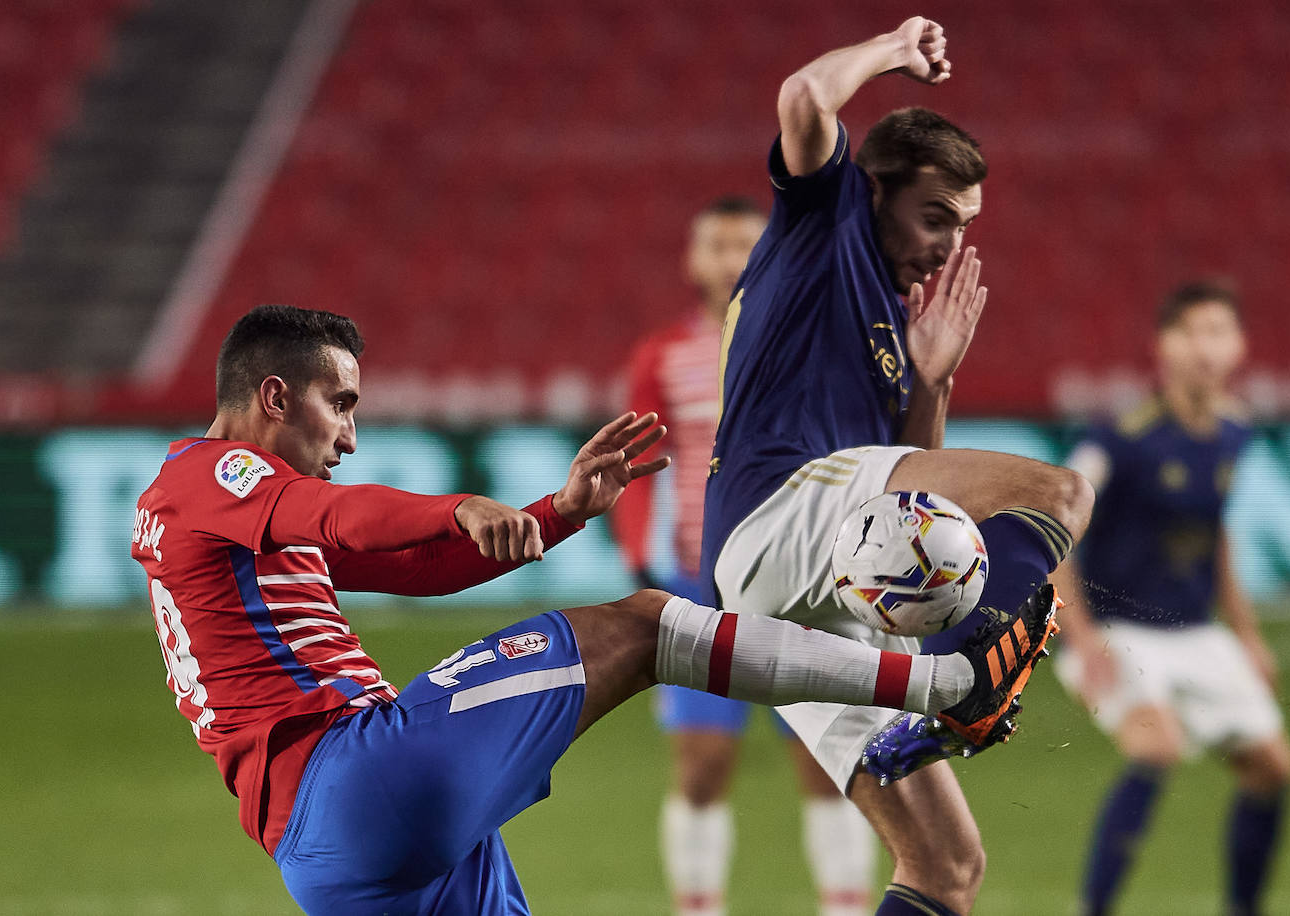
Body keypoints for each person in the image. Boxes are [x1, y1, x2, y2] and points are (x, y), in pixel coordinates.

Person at [131, 303, 1046, 915]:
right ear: (274, 396)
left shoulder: (229, 520)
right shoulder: (210, 475)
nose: (350, 434)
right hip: (354, 777)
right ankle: (948, 684)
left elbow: (415, 566)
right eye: (340, 404)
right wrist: (458, 503)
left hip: (331, 859)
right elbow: (343, 515)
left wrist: (556, 513)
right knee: (645, 626)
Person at [699, 17, 1096, 916]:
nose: (949, 244)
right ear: (875, 190)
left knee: (946, 867)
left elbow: (922, 509)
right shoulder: (826, 221)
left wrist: (932, 380)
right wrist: (893, 49)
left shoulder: (887, 320)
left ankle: (954, 682)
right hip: (779, 510)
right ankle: (962, 678)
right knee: (1061, 492)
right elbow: (805, 96)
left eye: (964, 226)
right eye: (935, 216)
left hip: (805, 588)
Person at [615, 196, 878, 916]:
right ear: (693, 260)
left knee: (825, 759)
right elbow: (637, 465)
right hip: (701, 582)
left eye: (746, 244)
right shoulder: (663, 355)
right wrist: (637, 557)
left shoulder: (818, 343)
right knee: (702, 764)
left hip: (803, 581)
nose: (733, 258)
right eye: (719, 244)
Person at [1052, 282, 1290, 916]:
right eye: (1189, 332)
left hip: (1195, 632)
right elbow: (1056, 540)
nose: (1204, 348)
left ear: (1239, 346)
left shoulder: (1235, 430)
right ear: (1163, 346)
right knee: (1156, 746)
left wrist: (1248, 635)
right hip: (1119, 634)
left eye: (1218, 332)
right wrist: (1084, 641)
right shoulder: (1117, 438)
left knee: (1274, 768)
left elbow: (1216, 536)